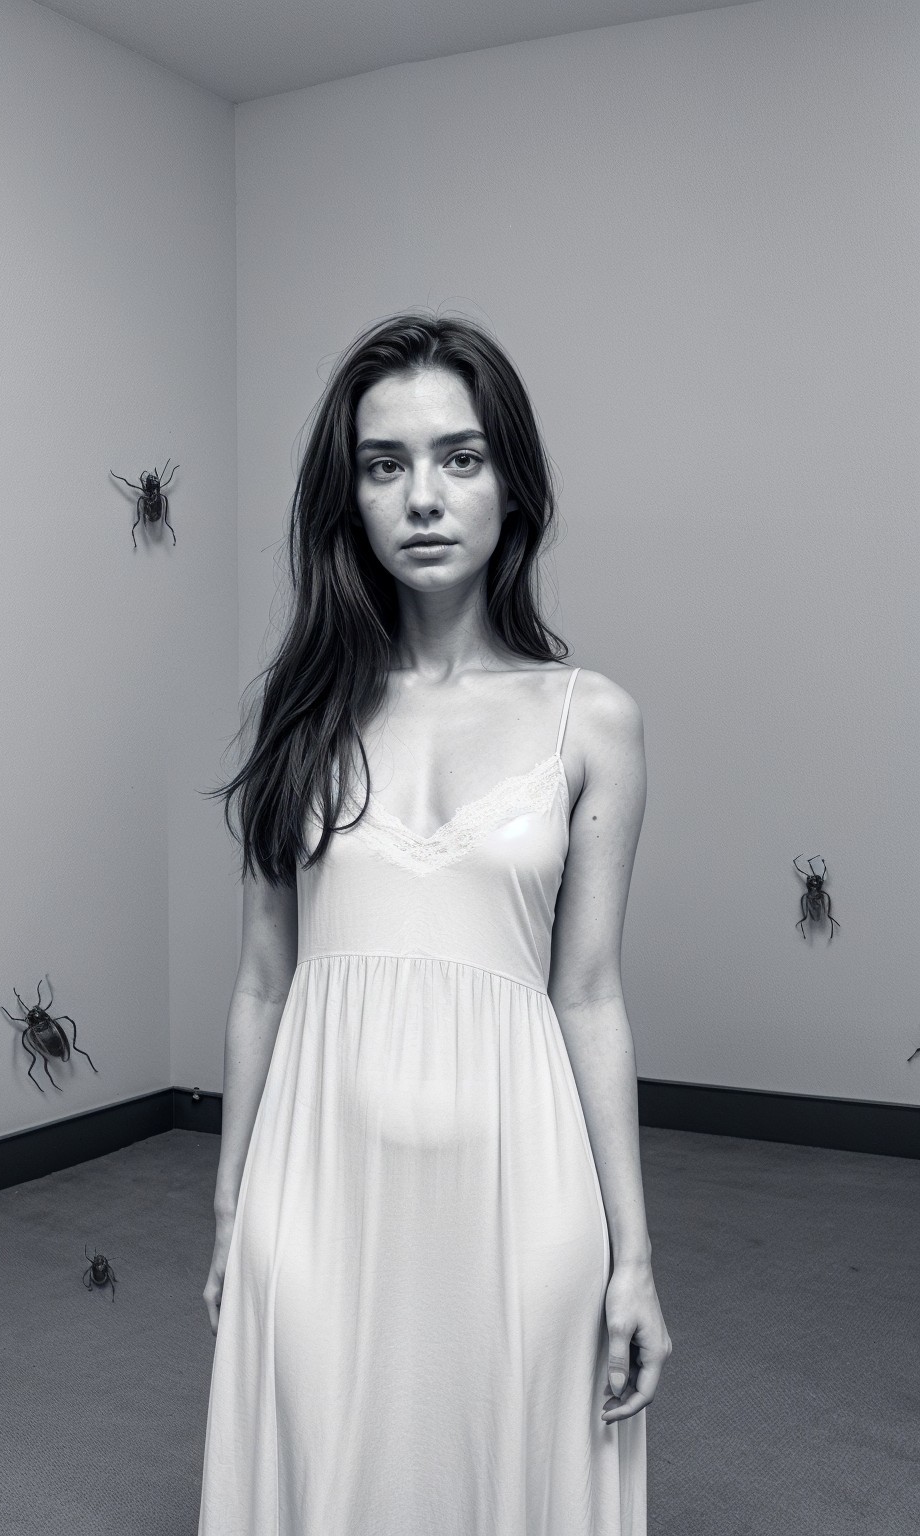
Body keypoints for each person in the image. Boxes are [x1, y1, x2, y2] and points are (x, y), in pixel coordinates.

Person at [197, 313, 669, 1534]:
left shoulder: (592, 720)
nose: (424, 496)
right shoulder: (297, 720)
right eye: (384, 463)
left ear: (514, 484)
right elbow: (262, 984)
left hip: (523, 1184)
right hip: (315, 1180)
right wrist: (231, 1207)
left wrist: (634, 1258)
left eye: (460, 458)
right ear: (346, 497)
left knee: (507, 1478)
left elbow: (592, 993)